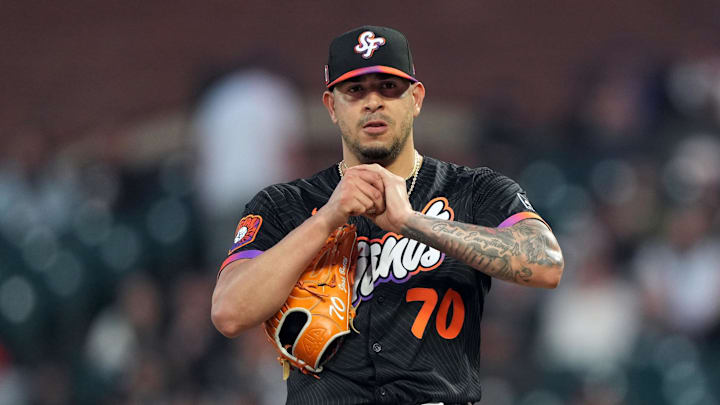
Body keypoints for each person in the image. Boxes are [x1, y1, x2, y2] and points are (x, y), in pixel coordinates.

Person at [211, 25, 564, 405]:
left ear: (416, 99)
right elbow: (229, 312)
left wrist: (413, 223)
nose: (373, 101)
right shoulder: (284, 205)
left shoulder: (473, 189)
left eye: (389, 87)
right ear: (332, 106)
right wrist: (326, 219)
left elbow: (546, 263)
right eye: (356, 90)